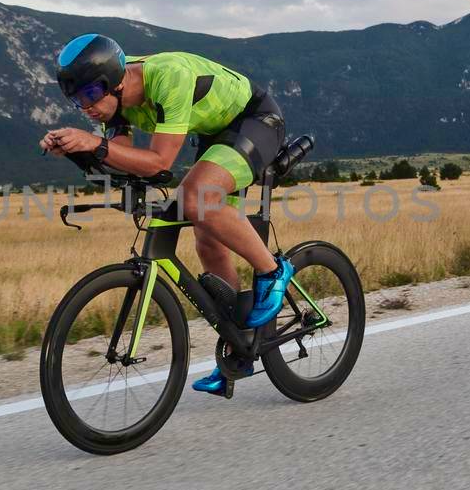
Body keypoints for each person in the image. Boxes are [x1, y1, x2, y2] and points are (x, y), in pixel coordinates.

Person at [42, 34, 293, 395]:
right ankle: (240, 345)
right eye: (77, 100)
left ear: (115, 82)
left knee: (196, 199)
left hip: (255, 121)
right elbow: (121, 159)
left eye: (90, 96)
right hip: (214, 136)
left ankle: (273, 270)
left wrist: (94, 143)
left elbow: (159, 162)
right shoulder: (112, 103)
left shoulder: (168, 78)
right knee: (208, 243)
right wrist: (72, 149)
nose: (87, 108)